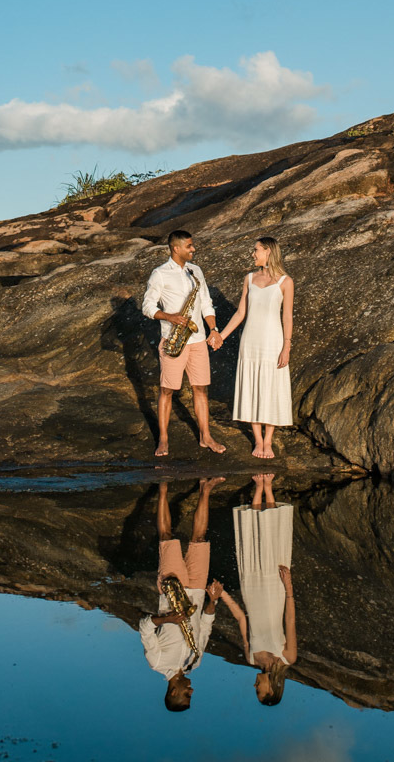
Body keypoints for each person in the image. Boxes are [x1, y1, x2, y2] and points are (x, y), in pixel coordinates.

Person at [139, 478, 226, 711]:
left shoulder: (156, 663)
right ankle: (205, 489)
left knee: (167, 537)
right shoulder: (194, 663)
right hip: (197, 593)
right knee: (199, 539)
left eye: (186, 695)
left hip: (172, 591)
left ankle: (164, 486)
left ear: (173, 692)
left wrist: (168, 619)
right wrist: (213, 600)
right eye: (191, 695)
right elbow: (205, 627)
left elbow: (145, 627)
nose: (191, 691)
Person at [142, 229, 226, 457]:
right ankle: (164, 439)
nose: (193, 249)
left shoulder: (195, 271)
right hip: (173, 339)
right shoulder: (159, 274)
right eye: (189, 246)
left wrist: (213, 329)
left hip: (197, 339)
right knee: (167, 390)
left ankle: (205, 436)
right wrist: (170, 317)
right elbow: (147, 307)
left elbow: (206, 302)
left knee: (201, 389)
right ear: (176, 248)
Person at [218, 474, 297, 705]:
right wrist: (288, 586)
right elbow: (290, 620)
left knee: (252, 546)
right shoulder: (287, 657)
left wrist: (222, 595)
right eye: (258, 690)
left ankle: (257, 488)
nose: (254, 686)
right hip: (275, 593)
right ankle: (269, 487)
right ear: (272, 689)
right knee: (272, 545)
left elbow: (242, 619)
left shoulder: (251, 658)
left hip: (251, 591)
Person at [218, 236, 293, 459]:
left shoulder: (285, 281)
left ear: (268, 251)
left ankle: (268, 441)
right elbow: (241, 313)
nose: (253, 254)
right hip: (250, 340)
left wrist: (286, 347)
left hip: (273, 341)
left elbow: (287, 316)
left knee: (271, 387)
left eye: (256, 250)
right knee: (252, 386)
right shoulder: (249, 279)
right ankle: (257, 440)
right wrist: (221, 336)